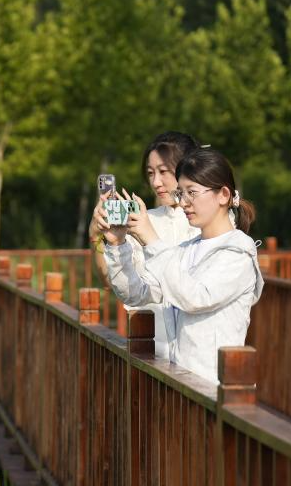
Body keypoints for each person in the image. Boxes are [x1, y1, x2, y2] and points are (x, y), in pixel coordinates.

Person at [92, 148, 263, 382]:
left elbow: (194, 298)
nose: (183, 203)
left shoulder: (238, 252)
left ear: (223, 195)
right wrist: (117, 244)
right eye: (181, 193)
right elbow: (136, 294)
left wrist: (150, 238)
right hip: (183, 384)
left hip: (218, 388)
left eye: (192, 192)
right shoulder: (185, 250)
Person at [89, 132, 202, 357]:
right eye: (151, 173)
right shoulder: (144, 219)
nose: (156, 182)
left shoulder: (209, 222)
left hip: (198, 354)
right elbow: (111, 281)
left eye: (164, 171)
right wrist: (97, 237)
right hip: (151, 352)